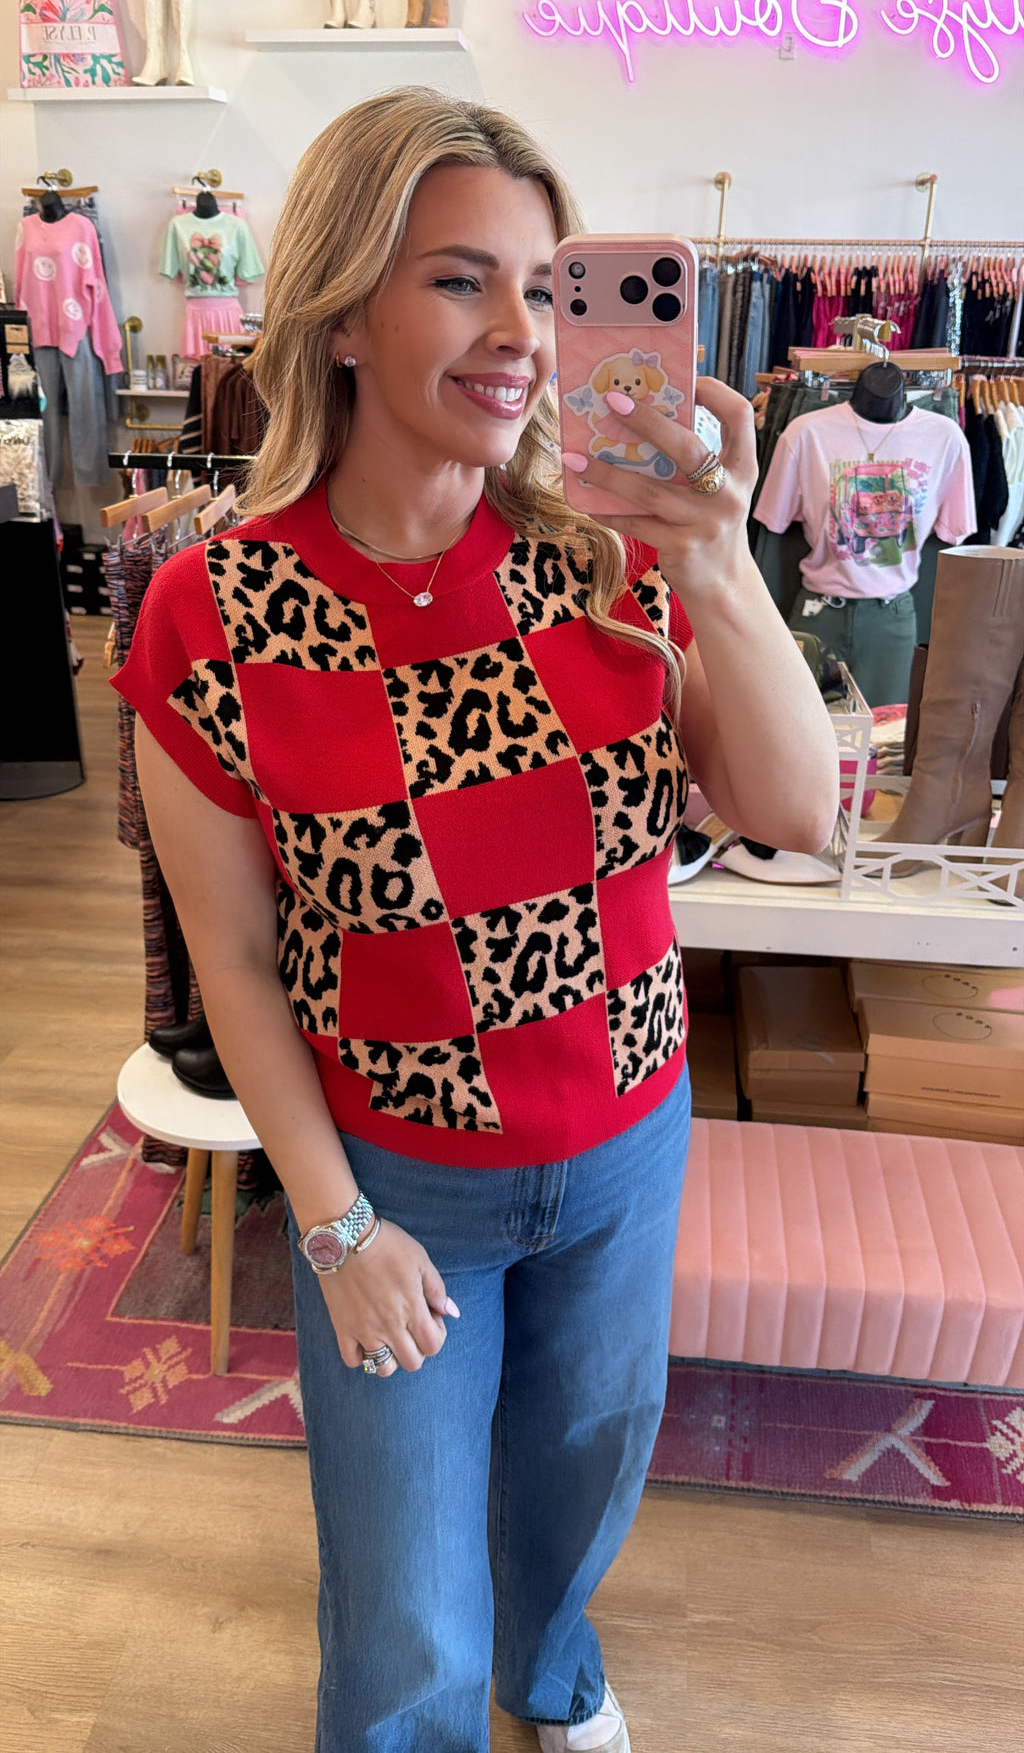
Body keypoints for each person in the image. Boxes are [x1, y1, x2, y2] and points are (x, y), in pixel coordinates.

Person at [114, 87, 838, 1753]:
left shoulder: (614, 558)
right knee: (402, 1612)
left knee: (583, 1482)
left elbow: (797, 815)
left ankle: (558, 1676)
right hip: (398, 1181)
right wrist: (334, 1229)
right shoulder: (215, 609)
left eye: (544, 286)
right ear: (343, 313)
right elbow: (234, 962)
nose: (522, 334)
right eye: (460, 281)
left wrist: (721, 565)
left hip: (627, 1141)